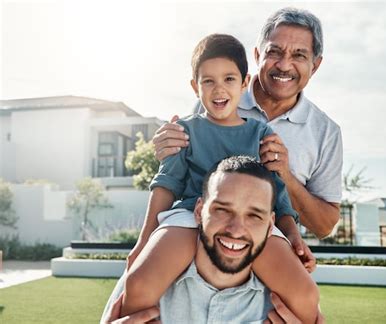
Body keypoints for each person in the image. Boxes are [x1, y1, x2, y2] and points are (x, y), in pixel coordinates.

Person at [120, 34, 318, 323]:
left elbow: (278, 193)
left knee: (305, 294)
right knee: (138, 283)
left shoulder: (261, 134)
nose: (218, 89)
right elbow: (166, 184)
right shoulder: (183, 130)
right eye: (208, 81)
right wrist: (142, 242)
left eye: (228, 79)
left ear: (244, 82)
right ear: (194, 86)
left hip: (251, 220)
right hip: (189, 215)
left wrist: (293, 237)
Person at [154, 7, 343, 239]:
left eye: (299, 55)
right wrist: (168, 148)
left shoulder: (326, 133)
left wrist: (284, 175)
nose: (284, 65)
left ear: (315, 65)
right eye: (274, 52)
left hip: (267, 243)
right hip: (202, 238)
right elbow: (179, 175)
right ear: (257, 56)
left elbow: (324, 228)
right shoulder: (218, 99)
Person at [103, 156, 321, 323]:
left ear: (270, 225)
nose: (236, 230)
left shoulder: (288, 308)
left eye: (254, 215)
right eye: (222, 210)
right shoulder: (142, 284)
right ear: (198, 211)